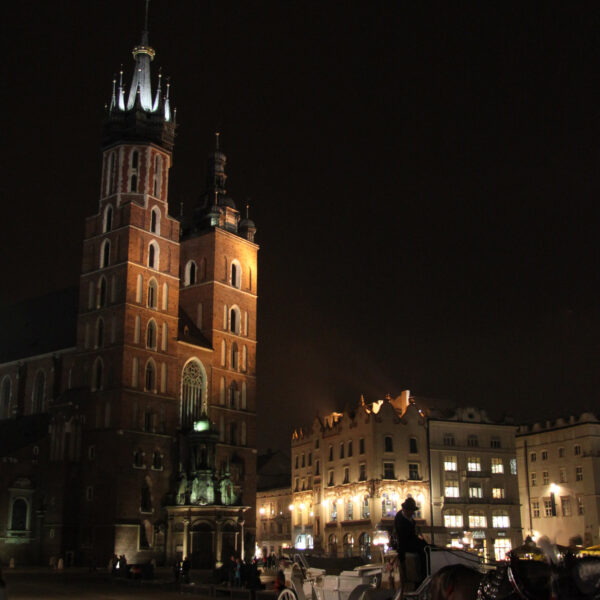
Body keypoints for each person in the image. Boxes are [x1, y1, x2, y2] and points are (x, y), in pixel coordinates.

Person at [394, 497, 428, 584]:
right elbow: (406, 536)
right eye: (411, 510)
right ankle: (423, 576)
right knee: (423, 552)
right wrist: (420, 542)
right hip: (405, 546)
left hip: (410, 542)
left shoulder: (408, 519)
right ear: (406, 510)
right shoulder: (401, 519)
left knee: (426, 547)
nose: (413, 513)